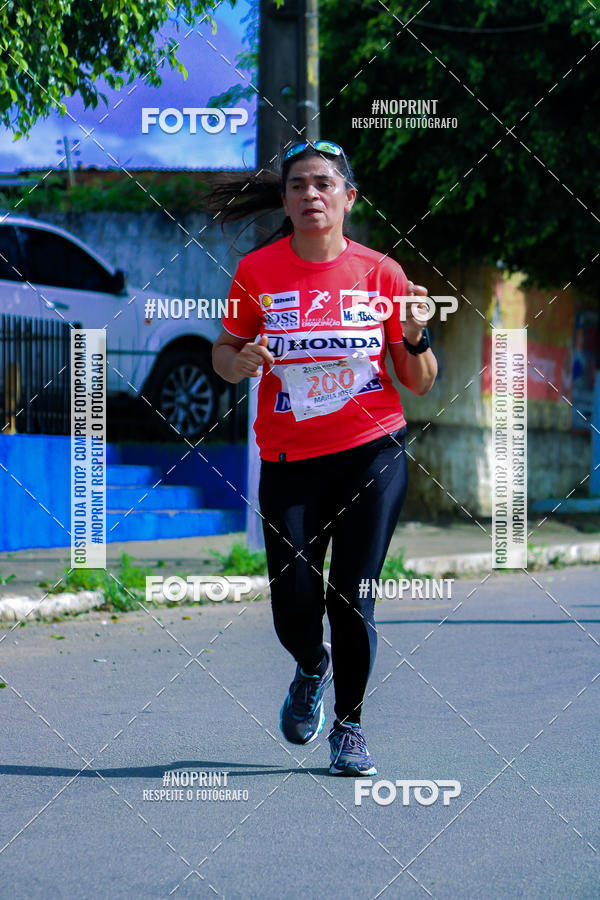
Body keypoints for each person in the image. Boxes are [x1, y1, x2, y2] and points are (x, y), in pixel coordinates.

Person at [210, 140, 437, 775]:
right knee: (293, 601)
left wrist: (417, 333)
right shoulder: (258, 272)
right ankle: (312, 665)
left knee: (353, 594)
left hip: (374, 451)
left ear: (348, 198)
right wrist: (240, 360)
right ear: (285, 200)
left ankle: (350, 727)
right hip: (289, 457)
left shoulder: (382, 274)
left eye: (324, 184)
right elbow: (223, 354)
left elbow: (419, 380)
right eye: (299, 186)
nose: (311, 194)